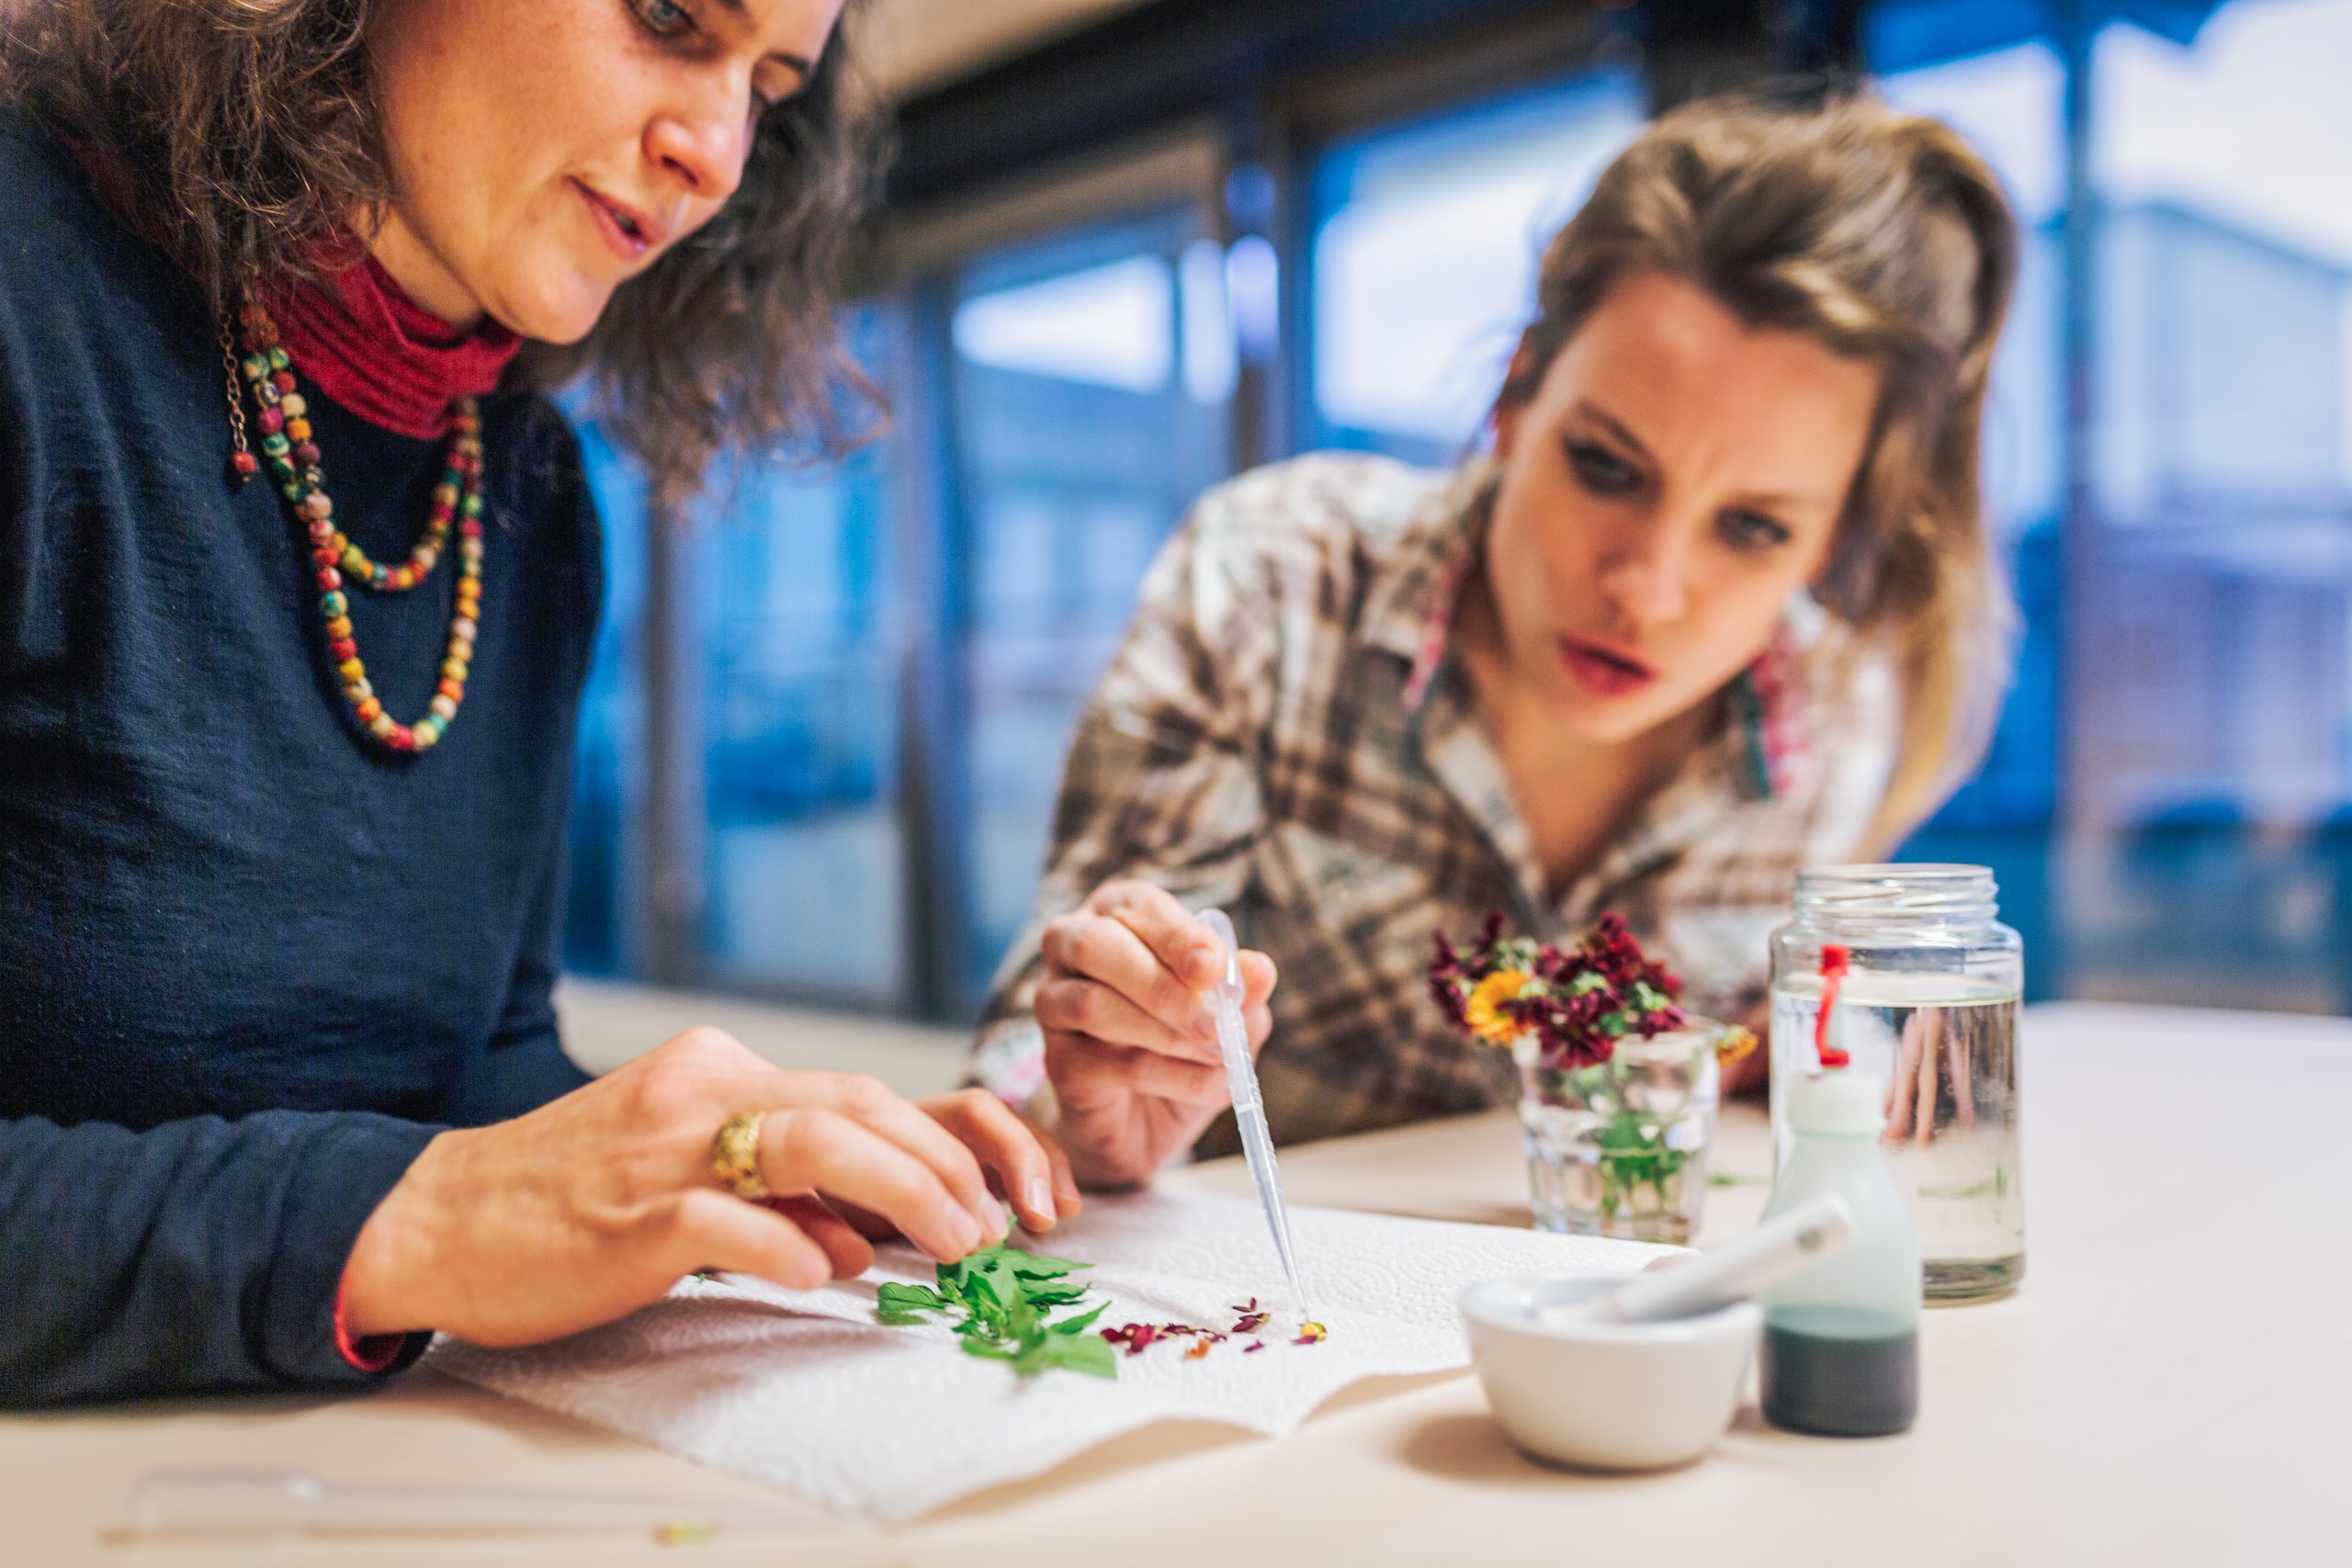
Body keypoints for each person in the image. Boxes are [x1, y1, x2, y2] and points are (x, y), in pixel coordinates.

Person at [0, 0, 1079, 1408]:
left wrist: (770, 1167)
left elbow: (476, 1061)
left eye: (767, 85)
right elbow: (439, 1179)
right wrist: (420, 1215)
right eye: (671, 16)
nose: (717, 155)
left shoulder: (529, 491)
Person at [968, 93, 2019, 1190]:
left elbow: (1792, 1052)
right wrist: (1082, 1096)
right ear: (1517, 396)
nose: (1648, 589)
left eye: (1753, 527)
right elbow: (1027, 1060)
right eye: (1606, 467)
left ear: (1826, 543)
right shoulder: (1273, 581)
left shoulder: (1838, 717)